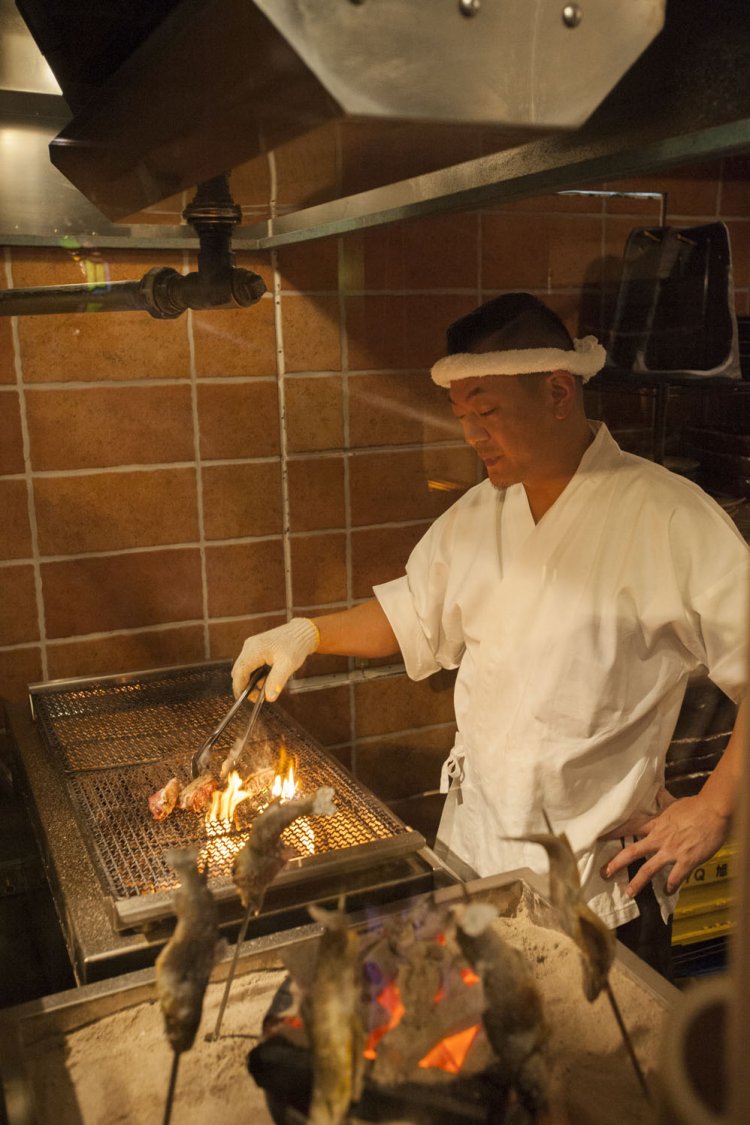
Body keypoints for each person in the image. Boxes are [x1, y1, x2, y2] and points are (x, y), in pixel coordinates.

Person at [232, 292, 748, 976]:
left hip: (593, 888)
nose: (472, 435)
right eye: (462, 416)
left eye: (488, 412)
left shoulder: (669, 517)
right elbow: (415, 612)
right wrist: (306, 633)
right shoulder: (482, 511)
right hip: (472, 863)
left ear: (558, 391)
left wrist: (713, 807)